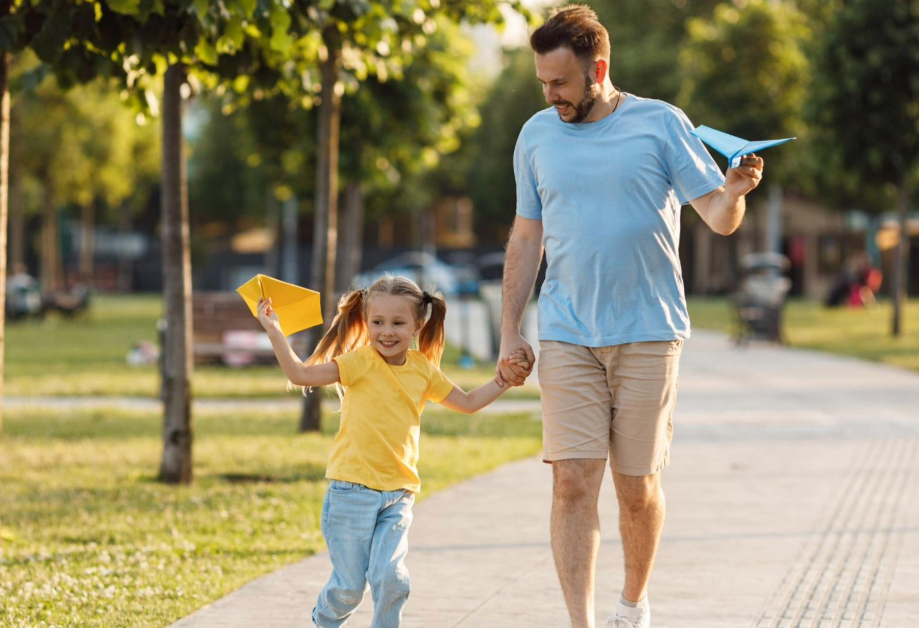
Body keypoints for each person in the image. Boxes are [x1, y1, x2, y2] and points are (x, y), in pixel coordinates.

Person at [496, 6, 767, 628]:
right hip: (567, 332)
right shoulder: (536, 135)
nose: (550, 95)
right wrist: (512, 328)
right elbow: (525, 237)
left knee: (637, 488)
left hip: (649, 330)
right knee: (571, 482)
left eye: (561, 83)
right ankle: (581, 622)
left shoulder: (661, 124)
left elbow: (718, 218)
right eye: (543, 82)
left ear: (599, 69)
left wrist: (735, 193)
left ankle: (632, 603)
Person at [255, 276, 528, 628]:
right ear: (366, 321)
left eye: (398, 323)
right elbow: (300, 373)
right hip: (350, 494)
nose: (387, 331)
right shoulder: (358, 362)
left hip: (398, 495)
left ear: (417, 325)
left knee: (392, 579)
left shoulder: (423, 370)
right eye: (377, 322)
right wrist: (274, 329)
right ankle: (323, 622)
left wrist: (503, 380)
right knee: (349, 589)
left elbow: (469, 402)